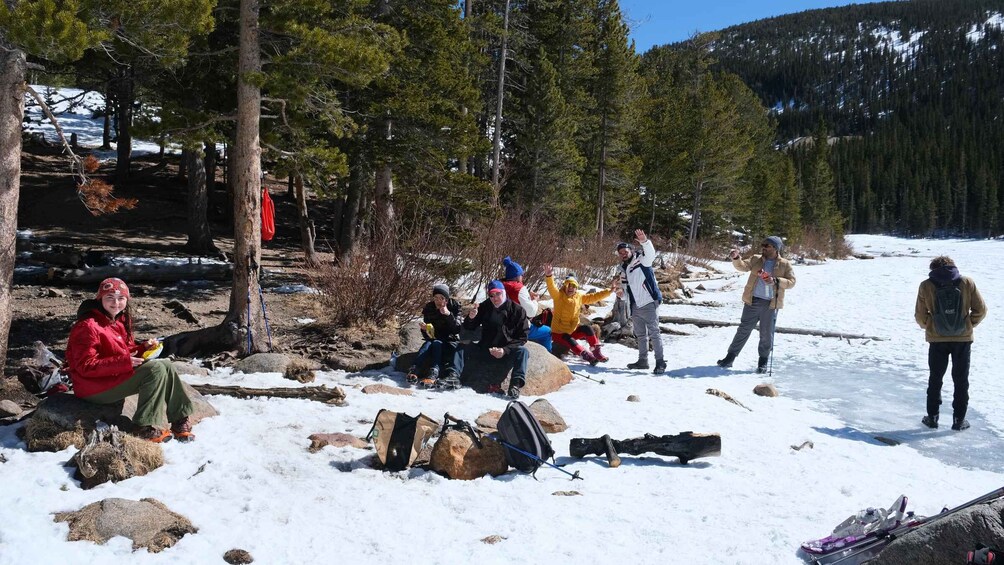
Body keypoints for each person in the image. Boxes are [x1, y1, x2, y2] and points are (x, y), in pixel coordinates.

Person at [65, 278, 195, 442]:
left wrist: (142, 349)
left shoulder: (119, 320)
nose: (116, 303)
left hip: (112, 378)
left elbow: (124, 351)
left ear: (127, 300)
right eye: (110, 298)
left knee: (166, 364)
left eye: (121, 298)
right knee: (156, 369)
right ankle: (143, 427)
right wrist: (123, 363)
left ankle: (180, 420)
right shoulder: (87, 326)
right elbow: (85, 366)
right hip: (93, 389)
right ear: (100, 299)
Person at [915, 255, 986, 431]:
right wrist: (969, 324)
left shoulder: (926, 285)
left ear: (933, 268)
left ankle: (932, 418)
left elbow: (920, 316)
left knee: (935, 378)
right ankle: (958, 420)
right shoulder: (967, 282)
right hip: (962, 340)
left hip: (937, 339)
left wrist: (930, 327)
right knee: (961, 380)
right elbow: (981, 310)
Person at [716, 235, 796, 373]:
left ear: (775, 248)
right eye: (763, 245)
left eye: (767, 246)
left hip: (770, 304)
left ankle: (762, 362)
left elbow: (792, 282)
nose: (763, 248)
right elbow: (742, 266)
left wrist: (776, 281)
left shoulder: (785, 264)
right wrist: (736, 258)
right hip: (752, 301)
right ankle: (730, 358)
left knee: (766, 334)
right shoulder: (755, 259)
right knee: (743, 330)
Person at [463, 280, 530, 399]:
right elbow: (469, 328)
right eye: (491, 295)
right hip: (486, 349)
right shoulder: (484, 307)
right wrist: (471, 318)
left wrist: (505, 350)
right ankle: (453, 375)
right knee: (463, 346)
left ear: (504, 292)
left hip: (506, 351)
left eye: (498, 294)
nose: (495, 298)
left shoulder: (518, 310)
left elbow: (522, 337)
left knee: (523, 352)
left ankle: (515, 385)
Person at [616, 229, 666, 374]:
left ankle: (660, 362)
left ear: (631, 250)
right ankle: (643, 361)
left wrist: (645, 241)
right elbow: (626, 292)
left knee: (654, 333)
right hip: (635, 305)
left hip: (650, 301)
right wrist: (621, 294)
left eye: (625, 251)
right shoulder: (623, 269)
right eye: (621, 253)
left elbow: (650, 254)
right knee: (640, 334)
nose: (623, 254)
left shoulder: (641, 259)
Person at [544, 265, 615, 365]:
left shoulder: (579, 297)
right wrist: (549, 276)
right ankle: (586, 355)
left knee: (587, 328)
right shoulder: (558, 295)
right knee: (569, 339)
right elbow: (551, 287)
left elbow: (594, 297)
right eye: (569, 285)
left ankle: (596, 351)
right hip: (559, 334)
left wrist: (610, 291)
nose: (571, 288)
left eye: (573, 286)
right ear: (565, 285)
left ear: (576, 288)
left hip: (572, 330)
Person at [406, 284, 464, 388]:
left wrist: (448, 315)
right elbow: (428, 334)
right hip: (434, 338)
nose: (438, 301)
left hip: (450, 339)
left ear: (446, 299)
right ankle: (414, 370)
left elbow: (457, 329)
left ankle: (433, 373)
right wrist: (425, 329)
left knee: (437, 344)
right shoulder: (429, 307)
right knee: (428, 344)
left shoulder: (455, 306)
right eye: (435, 298)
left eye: (441, 298)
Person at [501, 256, 552, 351]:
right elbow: (531, 312)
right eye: (521, 275)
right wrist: (535, 300)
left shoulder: (499, 286)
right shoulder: (519, 288)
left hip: (500, 325)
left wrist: (527, 297)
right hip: (516, 328)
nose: (522, 277)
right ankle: (546, 356)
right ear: (517, 275)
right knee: (548, 331)